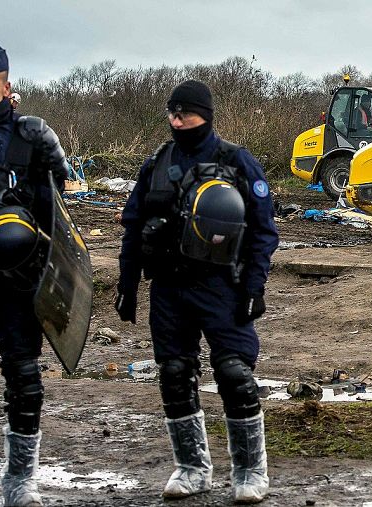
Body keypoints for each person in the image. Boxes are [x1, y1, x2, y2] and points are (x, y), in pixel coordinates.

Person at [115, 79, 279, 503]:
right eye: (171, 113)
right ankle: (191, 469)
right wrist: (127, 285)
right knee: (173, 374)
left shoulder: (237, 162)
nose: (177, 120)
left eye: (184, 113)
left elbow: (264, 231)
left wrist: (255, 286)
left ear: (205, 115)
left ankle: (249, 473)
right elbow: (132, 228)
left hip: (223, 286)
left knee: (234, 375)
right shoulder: (156, 164)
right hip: (169, 286)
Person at [0, 42, 68, 506]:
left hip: (18, 271)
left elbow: (57, 205)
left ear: (7, 86)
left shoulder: (33, 136)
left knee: (24, 376)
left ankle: (20, 480)